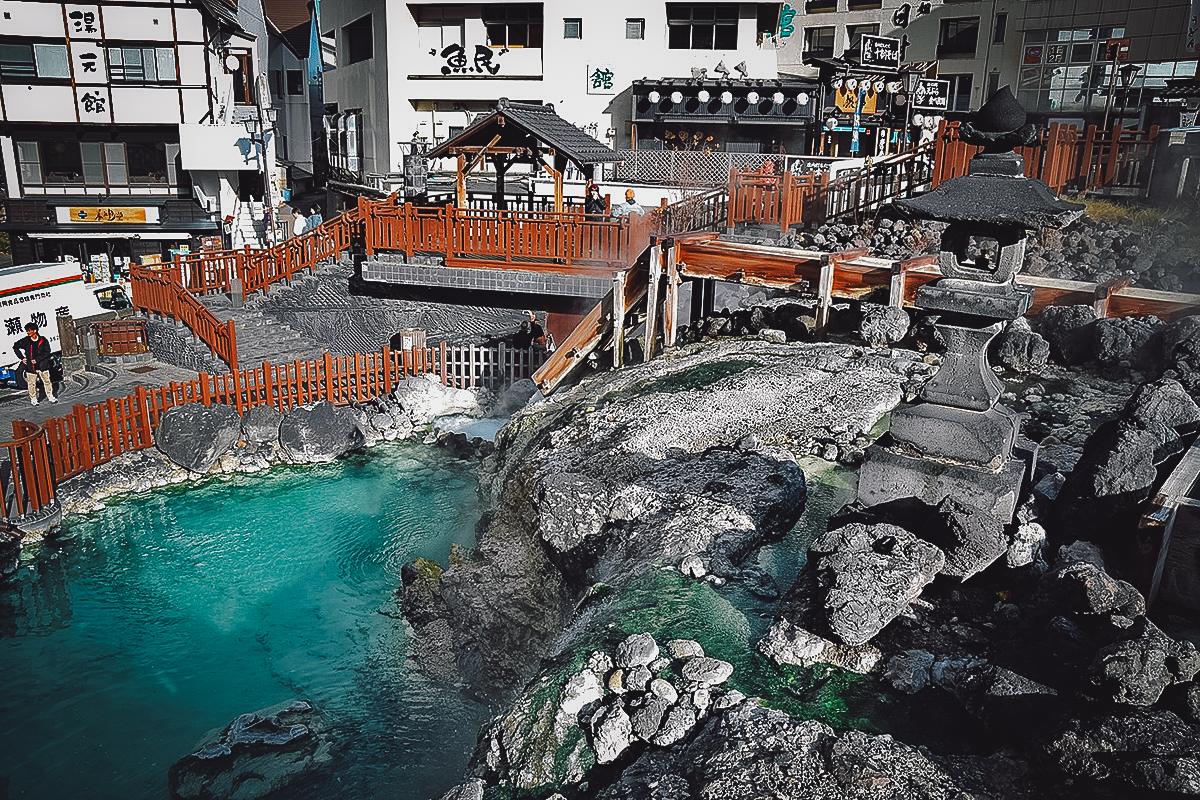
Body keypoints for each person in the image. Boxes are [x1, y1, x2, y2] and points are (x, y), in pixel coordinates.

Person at [14, 322, 56, 405]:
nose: (27, 332)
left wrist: (37, 359)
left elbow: (47, 352)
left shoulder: (43, 340)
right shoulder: (26, 341)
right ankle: (33, 399)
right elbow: (15, 346)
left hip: (43, 365)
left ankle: (50, 396)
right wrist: (22, 358)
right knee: (31, 384)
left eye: (29, 330)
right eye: (27, 330)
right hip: (31, 367)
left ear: (35, 330)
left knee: (47, 381)